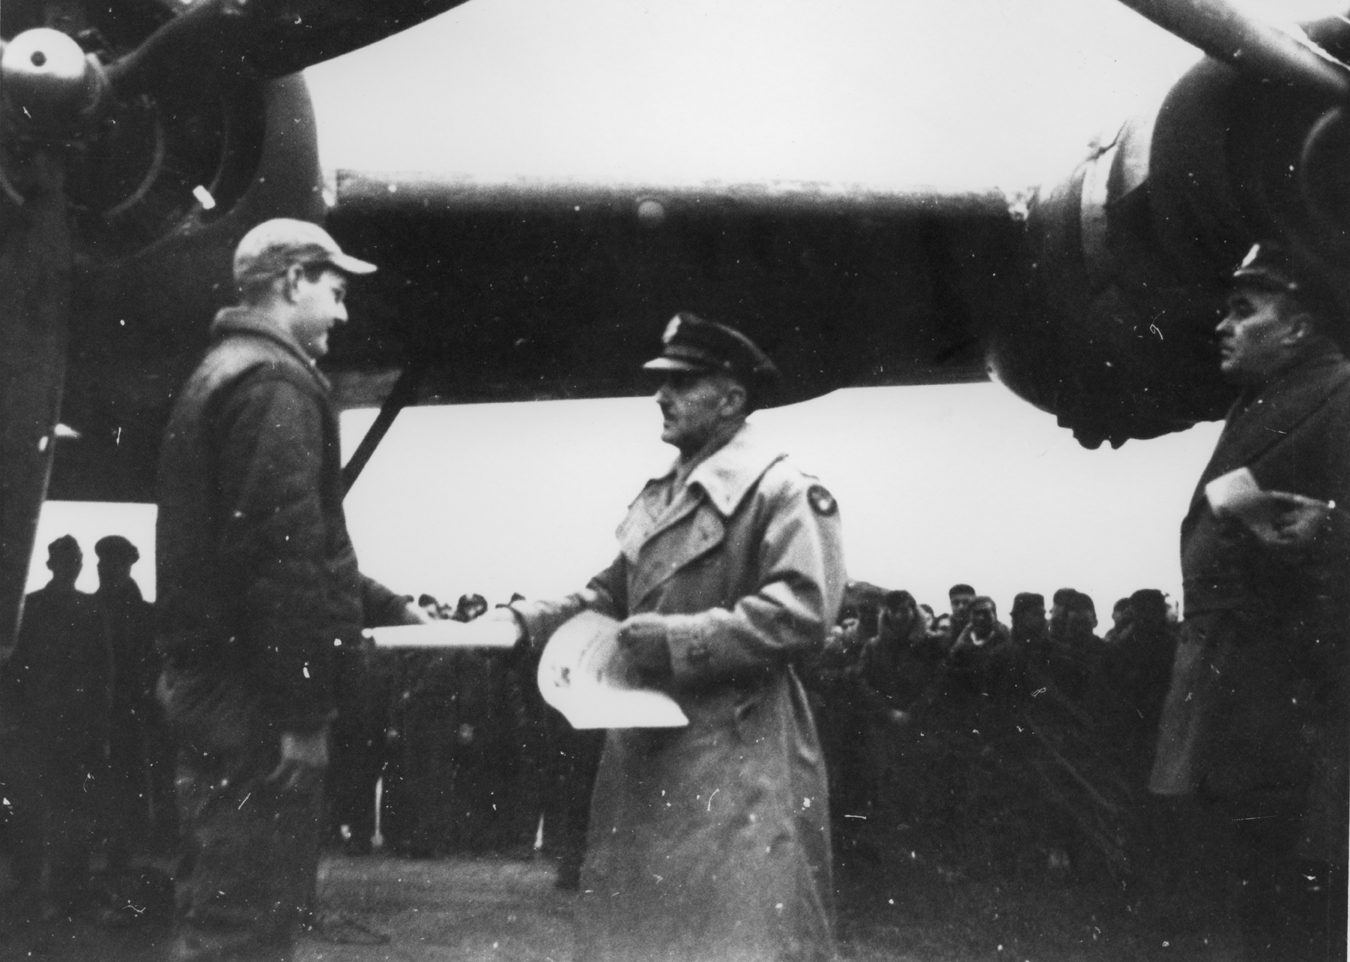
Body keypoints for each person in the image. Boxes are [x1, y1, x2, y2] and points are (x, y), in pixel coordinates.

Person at [476, 312, 845, 962]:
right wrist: (522, 620)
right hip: (649, 755)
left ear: (732, 399)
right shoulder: (664, 497)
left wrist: (678, 640)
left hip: (738, 760)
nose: (661, 396)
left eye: (683, 382)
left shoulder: (785, 490)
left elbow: (804, 612)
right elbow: (607, 595)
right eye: (661, 380)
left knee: (737, 936)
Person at [154, 218, 427, 962]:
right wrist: (302, 713)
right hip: (254, 706)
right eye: (335, 292)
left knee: (223, 900)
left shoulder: (226, 370)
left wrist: (388, 607)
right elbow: (278, 561)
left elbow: (287, 547)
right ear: (293, 281)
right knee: (246, 922)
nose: (342, 312)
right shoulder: (275, 383)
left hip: (218, 692)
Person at [1149, 241, 1350, 961]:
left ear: (1299, 326)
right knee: (1249, 907)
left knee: (1286, 914)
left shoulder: (1340, 392)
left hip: (1291, 713)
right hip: (1234, 708)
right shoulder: (1259, 403)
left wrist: (1334, 528)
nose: (1221, 327)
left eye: (1244, 310)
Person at [1, 535, 110, 918]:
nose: (72, 566)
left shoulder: (90, 610)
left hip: (75, 724)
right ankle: (29, 882)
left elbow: (102, 672)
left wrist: (99, 721)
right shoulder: (29, 607)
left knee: (72, 805)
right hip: (37, 723)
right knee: (32, 804)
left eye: (75, 560)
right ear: (51, 565)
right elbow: (13, 668)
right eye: (65, 561)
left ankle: (65, 888)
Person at [93, 535, 175, 889]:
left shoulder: (140, 613)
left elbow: (155, 664)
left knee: (130, 784)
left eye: (114, 562)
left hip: (130, 712)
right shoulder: (94, 607)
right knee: (113, 783)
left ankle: (124, 855)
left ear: (127, 566)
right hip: (104, 711)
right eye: (103, 562)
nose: (105, 568)